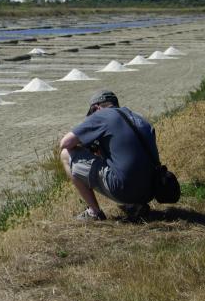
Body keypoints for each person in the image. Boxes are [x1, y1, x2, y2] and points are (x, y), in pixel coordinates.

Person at [59, 90, 157, 221]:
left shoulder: (102, 115)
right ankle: (136, 204)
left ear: (96, 107)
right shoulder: (137, 117)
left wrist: (85, 147)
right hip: (152, 189)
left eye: (92, 113)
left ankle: (94, 212)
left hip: (124, 189)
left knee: (65, 154)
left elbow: (65, 143)